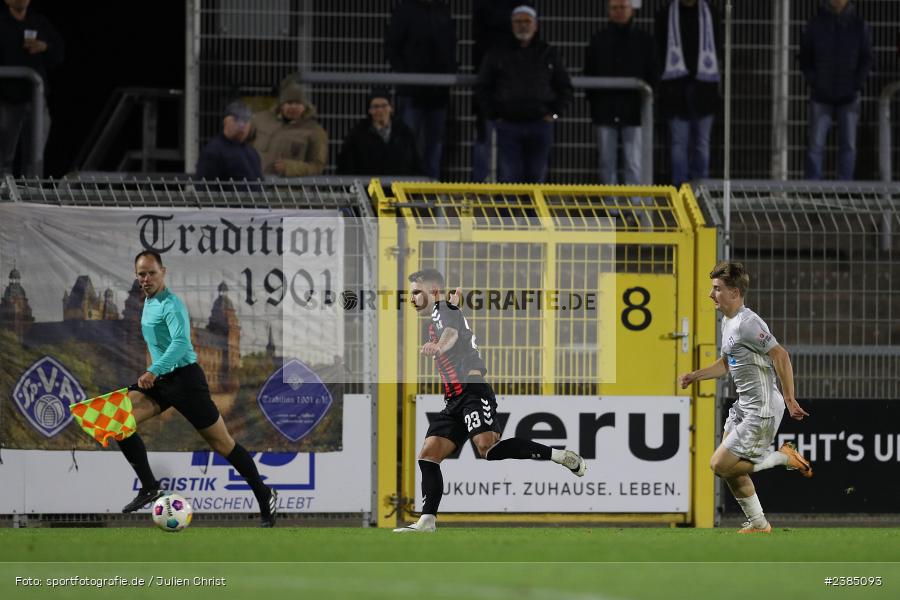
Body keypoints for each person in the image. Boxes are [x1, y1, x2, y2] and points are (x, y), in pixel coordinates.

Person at [394, 269, 586, 533]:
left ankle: (561, 456)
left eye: (417, 292)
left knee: (488, 449)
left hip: (472, 391)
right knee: (429, 455)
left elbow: (450, 334)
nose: (412, 298)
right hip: (454, 399)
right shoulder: (445, 311)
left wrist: (439, 345)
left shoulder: (442, 310)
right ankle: (427, 521)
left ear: (433, 291)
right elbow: (453, 328)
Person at [119, 251, 278, 527]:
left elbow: (181, 343)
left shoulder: (171, 304)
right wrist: (156, 372)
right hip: (162, 381)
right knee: (118, 421)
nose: (146, 278)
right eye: (141, 274)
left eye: (151, 273)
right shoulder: (148, 303)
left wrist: (153, 370)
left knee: (222, 444)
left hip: (186, 381)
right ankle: (149, 487)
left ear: (163, 272)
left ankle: (264, 494)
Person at [678, 261, 812, 534]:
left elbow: (781, 355)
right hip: (744, 406)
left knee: (719, 465)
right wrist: (695, 375)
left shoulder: (748, 323)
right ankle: (759, 524)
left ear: (735, 292)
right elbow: (726, 363)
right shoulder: (728, 322)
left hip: (762, 409)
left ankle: (783, 458)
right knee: (732, 469)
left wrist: (790, 398)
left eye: (717, 289)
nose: (711, 294)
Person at [475, 5, 573, 183]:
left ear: (535, 25)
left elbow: (564, 87)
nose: (523, 25)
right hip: (507, 125)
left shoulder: (548, 53)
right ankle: (508, 204)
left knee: (537, 177)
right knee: (508, 177)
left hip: (540, 125)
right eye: (518, 21)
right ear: (511, 25)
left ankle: (531, 206)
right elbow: (483, 86)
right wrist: (494, 115)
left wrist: (554, 114)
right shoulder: (497, 53)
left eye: (527, 21)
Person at [585, 0, 658, 185]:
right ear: (609, 12)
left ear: (631, 10)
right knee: (606, 162)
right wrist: (596, 104)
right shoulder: (598, 39)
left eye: (623, 7)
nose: (619, 11)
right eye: (614, 8)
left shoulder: (644, 40)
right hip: (605, 110)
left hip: (635, 112)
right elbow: (589, 73)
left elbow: (653, 73)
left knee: (634, 163)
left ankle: (634, 202)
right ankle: (611, 202)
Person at [799, 0, 872, 180]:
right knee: (815, 145)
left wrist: (856, 83)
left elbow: (866, 58)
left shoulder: (858, 25)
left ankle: (844, 190)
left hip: (848, 95)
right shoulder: (815, 24)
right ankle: (812, 190)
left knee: (848, 146)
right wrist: (814, 81)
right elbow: (805, 57)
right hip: (821, 95)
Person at [385, 0, 457, 180]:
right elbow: (392, 47)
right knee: (408, 144)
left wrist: (449, 71)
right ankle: (406, 187)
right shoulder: (405, 9)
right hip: (412, 91)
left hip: (438, 92)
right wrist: (406, 76)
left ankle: (430, 190)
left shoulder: (442, 10)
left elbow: (450, 45)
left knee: (434, 146)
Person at [654, 0, 722, 187]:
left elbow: (718, 48)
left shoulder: (712, 14)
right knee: (678, 143)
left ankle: (699, 191)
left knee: (702, 144)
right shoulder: (665, 14)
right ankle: (680, 191)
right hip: (675, 92)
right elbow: (659, 50)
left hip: (705, 92)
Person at [0, 0, 64, 176]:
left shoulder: (39, 22)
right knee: (4, 158)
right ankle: (3, 192)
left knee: (34, 159)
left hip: (36, 101)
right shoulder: (1, 23)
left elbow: (59, 54)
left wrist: (44, 47)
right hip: (7, 101)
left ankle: (31, 192)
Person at [471, 0, 528, 182]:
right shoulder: (490, 47)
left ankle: (503, 190)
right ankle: (484, 188)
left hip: (511, 95)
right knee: (486, 138)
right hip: (492, 91)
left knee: (507, 145)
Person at [250, 75, 328, 177]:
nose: (293, 107)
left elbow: (317, 166)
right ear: (281, 105)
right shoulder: (261, 119)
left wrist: (291, 168)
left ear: (305, 106)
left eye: (298, 103)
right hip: (256, 183)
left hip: (289, 186)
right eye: (289, 103)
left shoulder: (314, 131)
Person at [336, 88, 423, 176]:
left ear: (391, 108)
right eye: (375, 106)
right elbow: (346, 166)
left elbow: (416, 164)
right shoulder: (357, 135)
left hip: (398, 184)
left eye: (384, 105)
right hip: (368, 184)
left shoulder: (404, 133)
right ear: (369, 110)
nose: (380, 110)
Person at [195, 101, 262, 182]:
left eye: (246, 120)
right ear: (226, 121)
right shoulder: (213, 151)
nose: (242, 125)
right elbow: (204, 186)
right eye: (237, 120)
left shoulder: (252, 152)